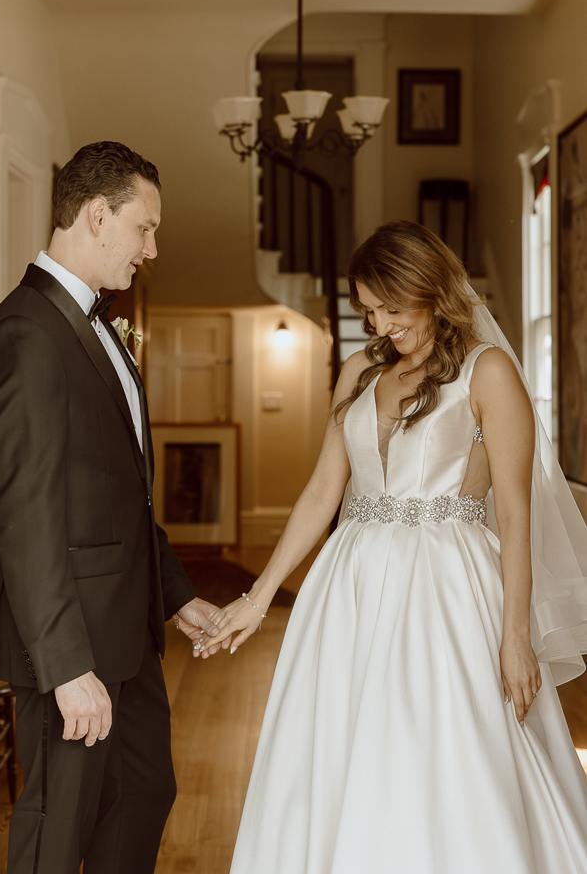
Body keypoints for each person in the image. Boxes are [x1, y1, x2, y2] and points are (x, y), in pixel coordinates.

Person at [205, 220, 587, 873]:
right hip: (348, 585)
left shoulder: (485, 371)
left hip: (448, 587)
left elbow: (517, 514)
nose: (379, 326)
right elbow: (323, 490)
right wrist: (256, 596)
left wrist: (515, 633)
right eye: (367, 311)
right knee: (340, 747)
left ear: (430, 288)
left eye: (390, 307)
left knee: (446, 750)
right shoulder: (357, 371)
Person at [0, 141, 222, 874]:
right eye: (144, 228)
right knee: (60, 828)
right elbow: (24, 517)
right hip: (73, 646)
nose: (152, 247)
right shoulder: (27, 335)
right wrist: (64, 665)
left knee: (143, 793)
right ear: (97, 214)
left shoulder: (93, 325)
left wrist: (173, 594)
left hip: (127, 634)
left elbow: (116, 496)